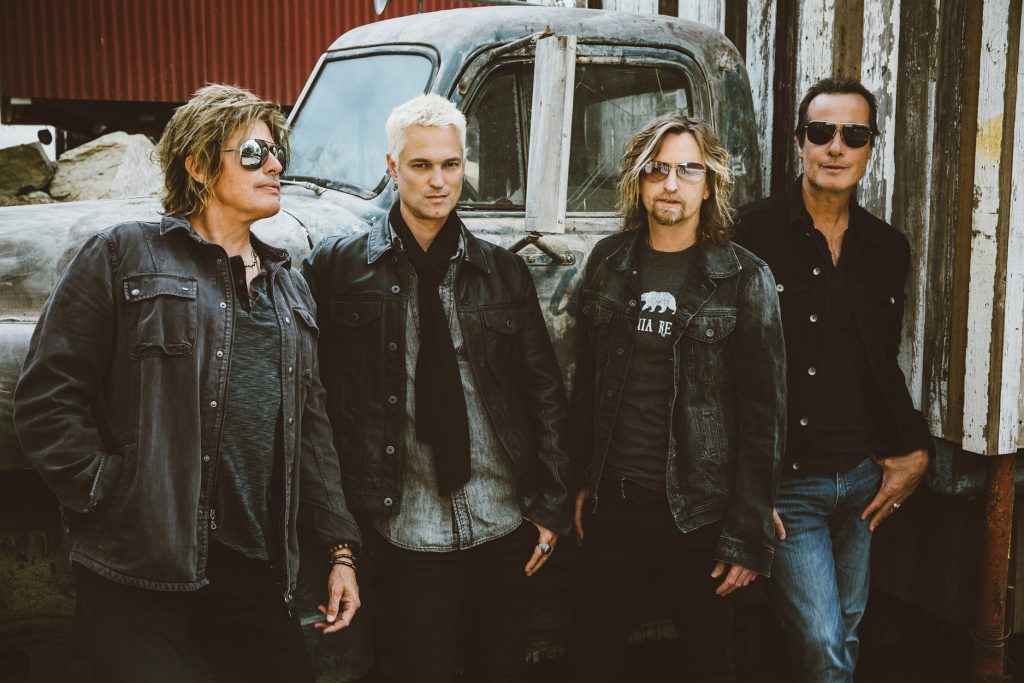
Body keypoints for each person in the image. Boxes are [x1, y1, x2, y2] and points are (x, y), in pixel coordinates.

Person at [13, 84, 361, 683]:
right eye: (252, 153)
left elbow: (311, 431)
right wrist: (110, 492)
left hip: (253, 566)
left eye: (277, 152)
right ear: (198, 166)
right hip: (139, 567)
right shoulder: (123, 255)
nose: (275, 165)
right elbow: (46, 397)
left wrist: (340, 550)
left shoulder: (289, 287)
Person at [302, 93, 571, 683]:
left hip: (502, 519)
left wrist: (551, 507)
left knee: (502, 668)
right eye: (420, 165)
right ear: (392, 167)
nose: (438, 180)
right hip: (404, 525)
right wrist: (340, 535)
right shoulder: (337, 269)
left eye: (450, 164)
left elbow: (543, 391)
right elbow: (314, 407)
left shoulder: (502, 271)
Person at [566, 111, 787, 682]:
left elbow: (764, 415)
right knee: (589, 659)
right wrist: (584, 480)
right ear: (638, 180)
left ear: (709, 185)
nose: (671, 183)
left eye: (688, 170)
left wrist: (748, 530)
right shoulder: (608, 262)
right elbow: (588, 385)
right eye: (657, 169)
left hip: (701, 515)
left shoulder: (744, 278)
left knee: (708, 664)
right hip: (616, 506)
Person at [732, 76, 932, 683]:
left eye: (854, 135)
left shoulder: (887, 247)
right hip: (788, 485)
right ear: (800, 142)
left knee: (844, 631)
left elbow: (880, 362)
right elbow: (720, 371)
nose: (836, 147)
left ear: (871, 148)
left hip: (863, 480)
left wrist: (916, 448)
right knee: (824, 648)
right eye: (822, 132)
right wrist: (745, 488)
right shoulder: (749, 235)